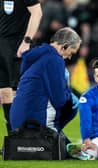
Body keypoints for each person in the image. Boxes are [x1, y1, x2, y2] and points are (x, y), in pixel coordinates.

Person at [10, 27, 81, 133]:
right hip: (37, 123)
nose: (70, 57)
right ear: (65, 46)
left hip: (16, 121)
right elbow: (59, 100)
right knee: (74, 102)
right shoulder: (55, 60)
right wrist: (67, 90)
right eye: (71, 53)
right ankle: (56, 132)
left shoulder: (34, 55)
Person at [0, 0, 42, 133]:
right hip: (2, 46)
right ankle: (13, 140)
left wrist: (27, 41)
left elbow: (37, 12)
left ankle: (24, 139)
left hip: (17, 45)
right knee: (4, 95)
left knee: (18, 94)